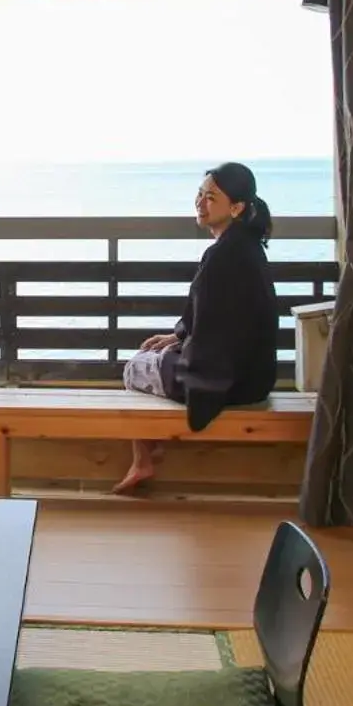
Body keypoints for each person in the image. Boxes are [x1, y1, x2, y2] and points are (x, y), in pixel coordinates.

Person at [115, 162, 279, 494]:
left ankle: (143, 456)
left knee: (135, 367)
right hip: (256, 377)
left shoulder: (222, 256)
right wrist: (178, 337)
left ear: (236, 207)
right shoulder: (247, 247)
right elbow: (217, 318)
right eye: (200, 194)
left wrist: (185, 355)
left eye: (211, 197)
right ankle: (149, 450)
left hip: (229, 383)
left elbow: (212, 332)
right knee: (157, 352)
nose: (200, 203)